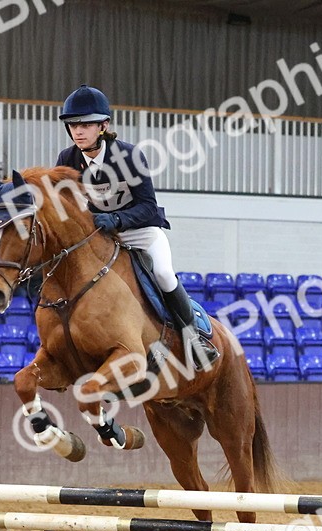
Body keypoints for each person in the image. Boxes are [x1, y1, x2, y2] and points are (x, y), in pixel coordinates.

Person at [55, 84, 219, 368]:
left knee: (165, 274)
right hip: (101, 238)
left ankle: (194, 339)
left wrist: (117, 219)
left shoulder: (129, 156)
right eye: (72, 125)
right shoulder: (66, 160)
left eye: (85, 125)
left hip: (139, 231)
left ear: (103, 126)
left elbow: (147, 207)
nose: (77, 131)